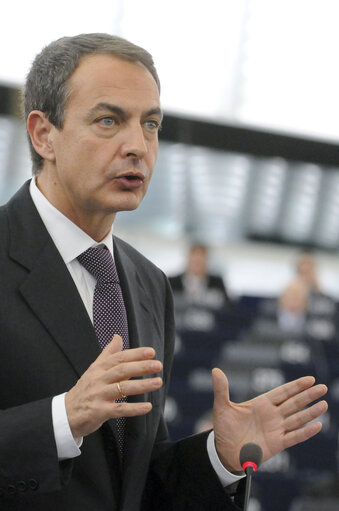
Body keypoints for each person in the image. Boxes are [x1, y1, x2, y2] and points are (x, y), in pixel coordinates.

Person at [0, 33, 328, 510]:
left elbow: (136, 482)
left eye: (150, 123)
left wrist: (219, 457)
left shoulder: (148, 282)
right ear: (43, 134)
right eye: (109, 120)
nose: (138, 145)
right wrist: (61, 420)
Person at [169, 243, 229, 309]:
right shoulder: (172, 282)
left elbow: (227, 306)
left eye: (201, 258)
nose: (198, 261)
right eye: (195, 258)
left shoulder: (217, 283)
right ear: (188, 258)